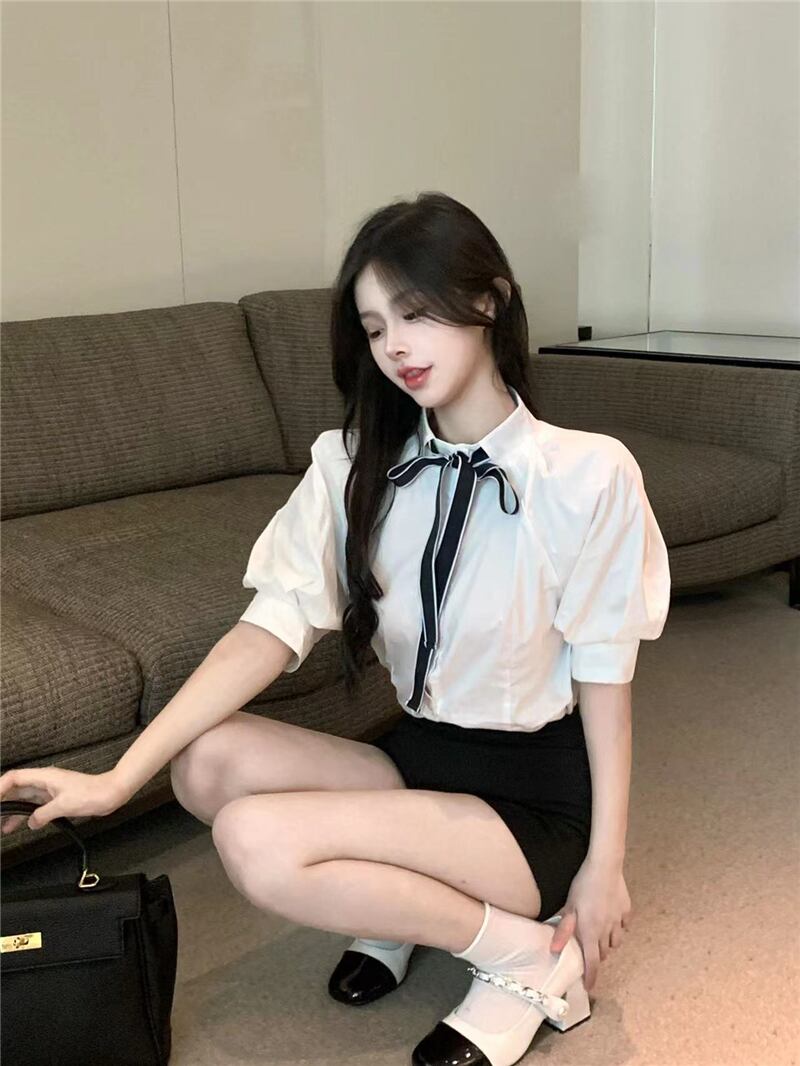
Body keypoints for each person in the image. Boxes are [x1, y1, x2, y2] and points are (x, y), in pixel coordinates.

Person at [0, 191, 671, 1066]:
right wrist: (118, 779)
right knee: (204, 761)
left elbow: (605, 680)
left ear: (491, 300)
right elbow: (264, 631)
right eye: (374, 326)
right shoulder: (355, 466)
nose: (395, 346)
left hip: (531, 800)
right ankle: (408, 909)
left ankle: (528, 957)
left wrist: (605, 864)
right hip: (419, 755)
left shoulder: (588, 475)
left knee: (254, 841)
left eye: (416, 313)